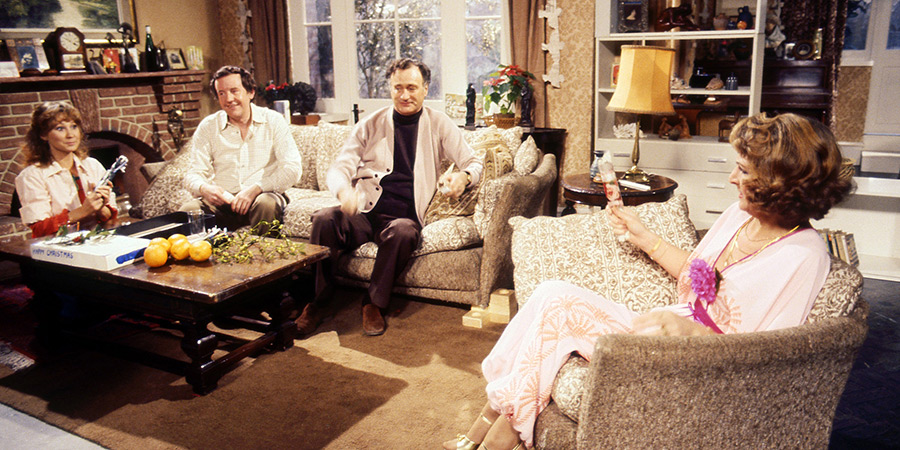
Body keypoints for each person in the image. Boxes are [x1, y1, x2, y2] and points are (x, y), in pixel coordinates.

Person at [444, 112, 853, 450]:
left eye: (744, 170)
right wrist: (642, 236)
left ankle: (495, 435)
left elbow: (770, 358)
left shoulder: (803, 256)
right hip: (668, 331)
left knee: (558, 314)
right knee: (554, 294)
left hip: (700, 366)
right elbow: (699, 274)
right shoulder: (740, 216)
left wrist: (693, 333)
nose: (732, 178)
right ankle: (497, 422)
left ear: (781, 183)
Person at [296, 58, 484, 337]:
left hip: (403, 218)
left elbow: (474, 162)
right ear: (390, 88)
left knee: (403, 233)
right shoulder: (370, 124)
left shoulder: (439, 123)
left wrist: (464, 177)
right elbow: (339, 168)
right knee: (325, 219)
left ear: (425, 89)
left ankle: (373, 303)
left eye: (412, 87)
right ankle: (317, 303)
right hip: (364, 211)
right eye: (398, 88)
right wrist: (344, 191)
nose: (404, 95)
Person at [181, 65, 302, 235]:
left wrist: (256, 188)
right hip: (224, 202)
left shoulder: (273, 120)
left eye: (234, 91)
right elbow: (192, 174)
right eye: (222, 93)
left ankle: (265, 252)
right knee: (188, 211)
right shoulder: (208, 126)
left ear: (250, 92)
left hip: (262, 195)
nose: (229, 99)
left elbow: (292, 169)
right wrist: (204, 188)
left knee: (266, 204)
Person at [15, 101, 118, 238]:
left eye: (74, 126)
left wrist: (100, 207)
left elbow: (109, 217)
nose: (70, 135)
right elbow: (40, 229)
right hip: (60, 247)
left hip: (99, 240)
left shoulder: (92, 165)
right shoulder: (31, 176)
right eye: (60, 128)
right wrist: (83, 211)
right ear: (43, 135)